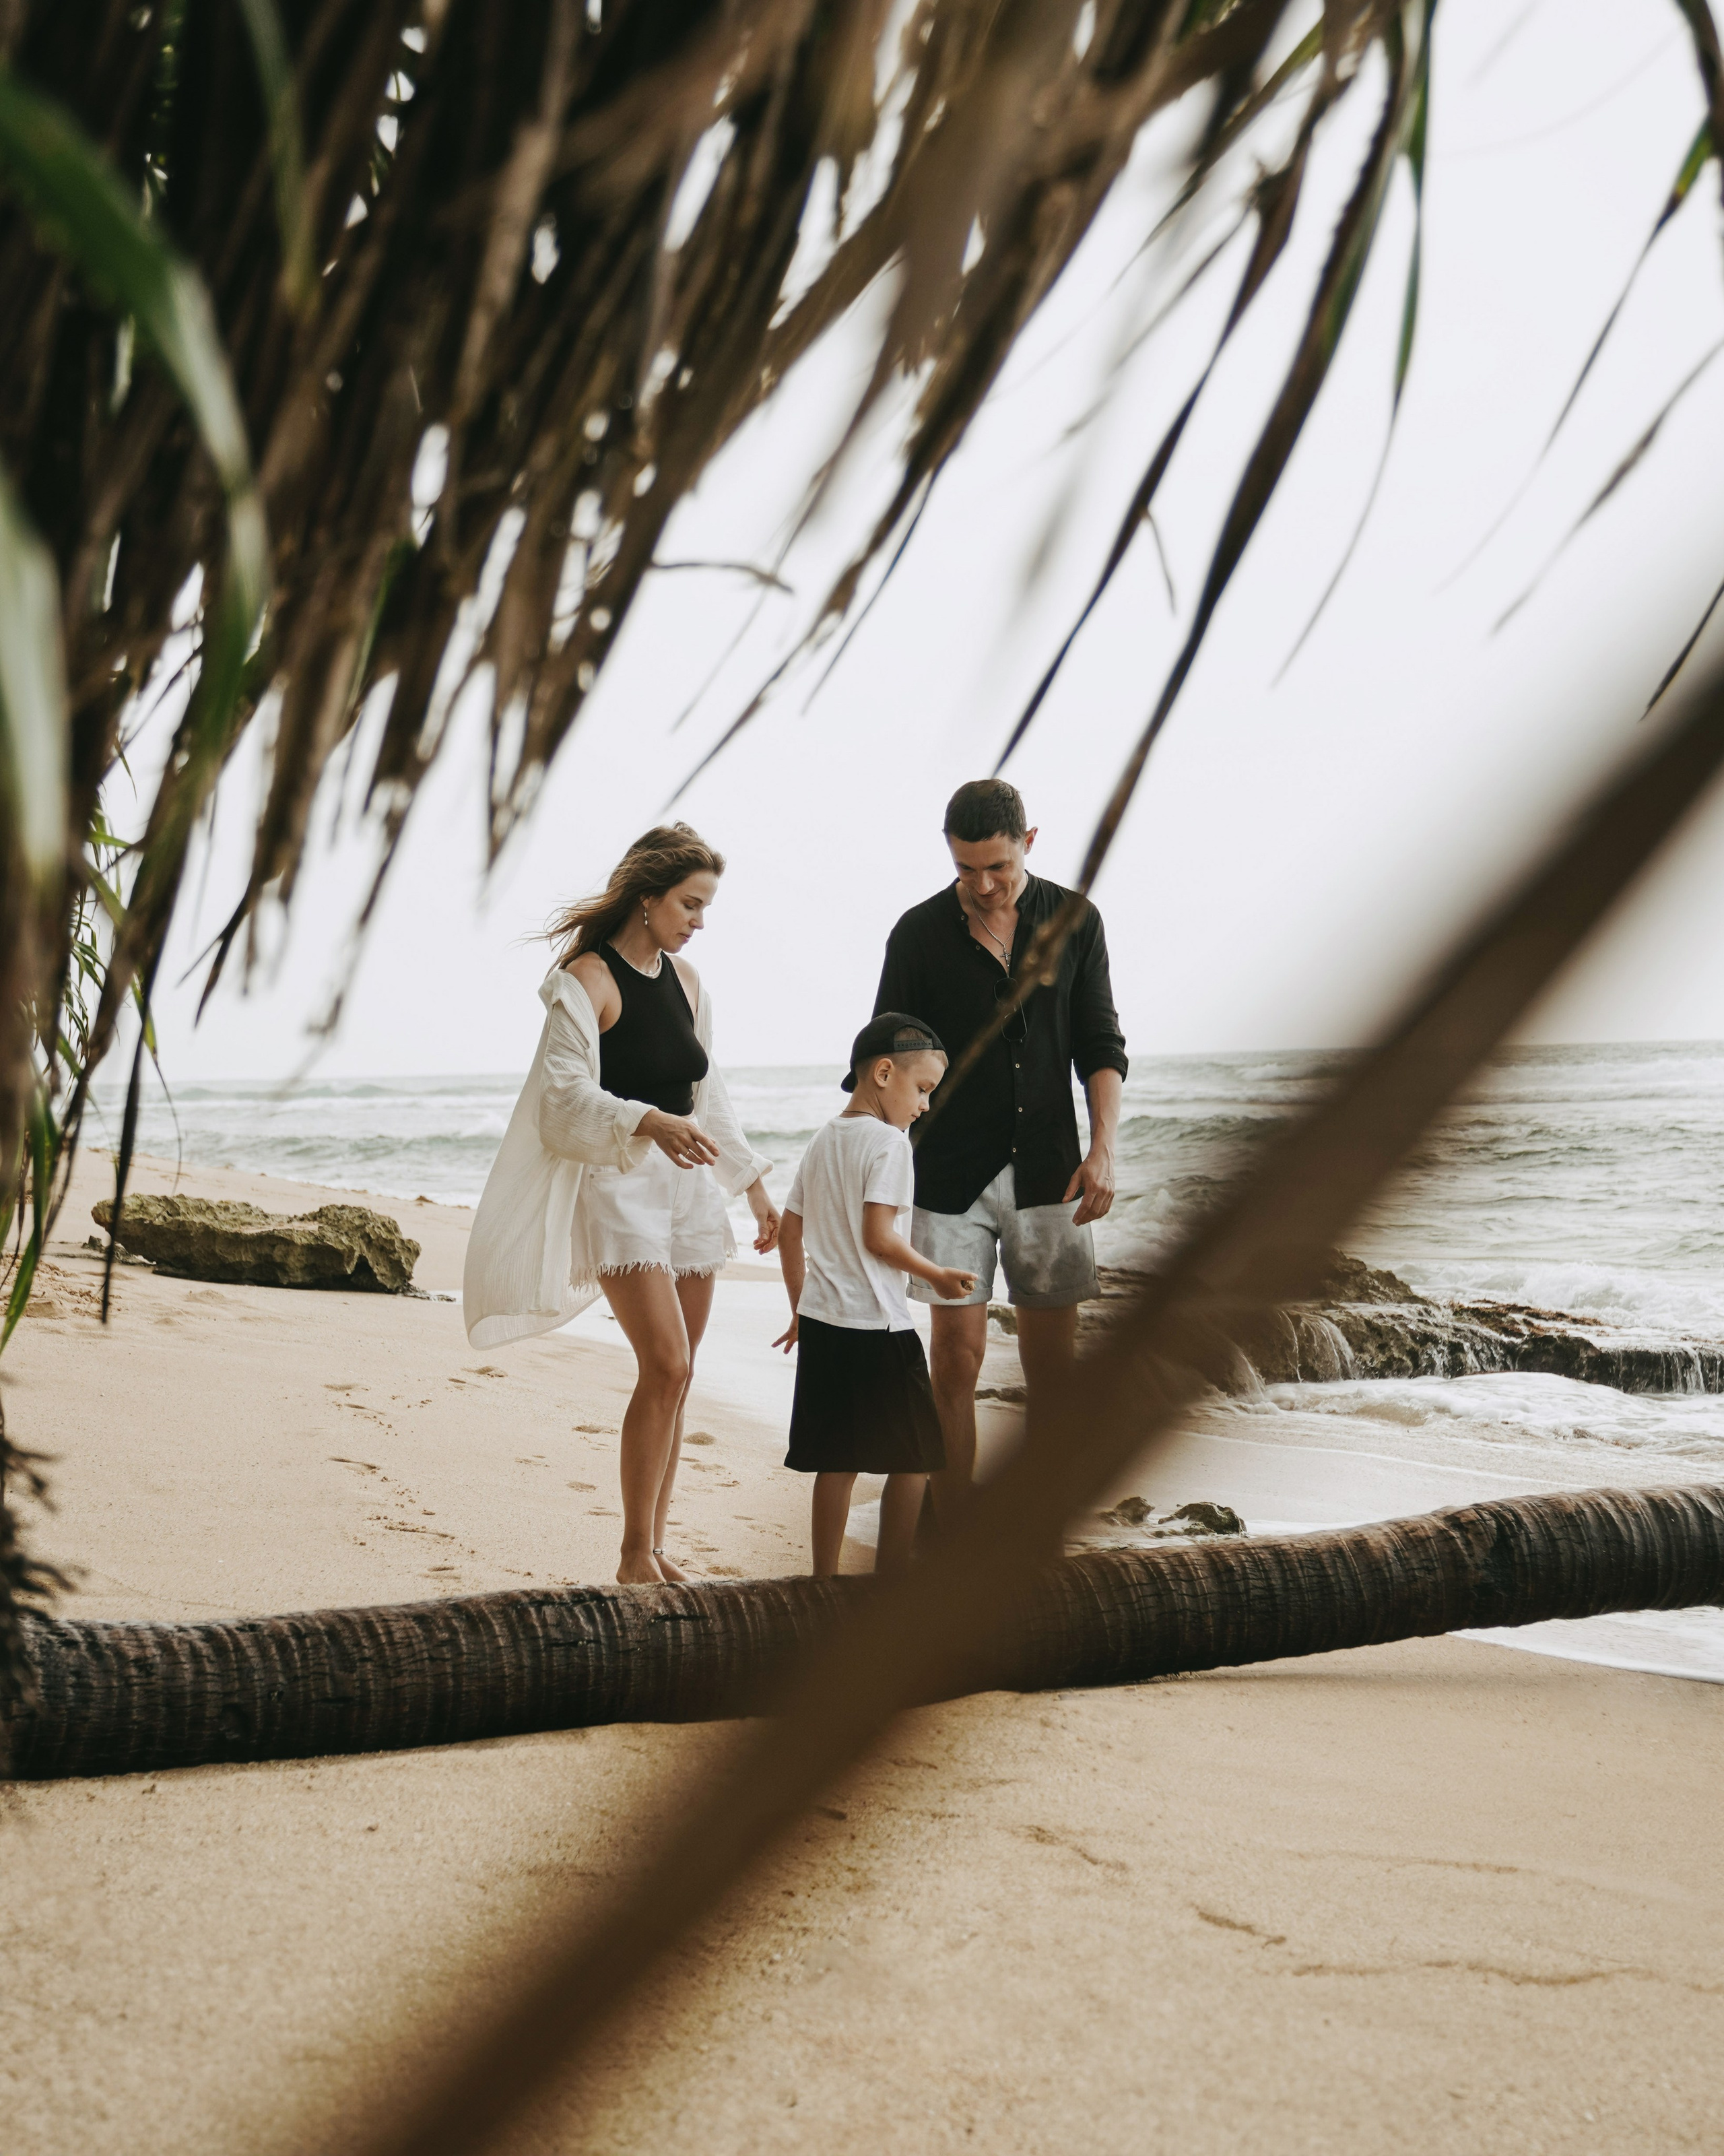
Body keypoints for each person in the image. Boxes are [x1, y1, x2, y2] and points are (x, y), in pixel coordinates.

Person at [463, 823, 779, 1586]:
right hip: (620, 1187)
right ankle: (633, 1556)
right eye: (689, 903)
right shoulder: (587, 981)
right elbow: (562, 1099)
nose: (698, 921)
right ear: (647, 899)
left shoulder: (689, 981)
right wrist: (647, 1119)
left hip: (689, 1191)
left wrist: (755, 1189)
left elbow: (712, 1095)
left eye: (704, 907)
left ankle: (655, 1547)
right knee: (664, 1365)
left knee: (683, 1373)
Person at [873, 778, 1127, 1520]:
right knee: (957, 1360)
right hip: (948, 1174)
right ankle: (952, 1526)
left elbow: (1100, 1043)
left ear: (1029, 844)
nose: (982, 886)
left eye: (998, 869)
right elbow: (884, 1063)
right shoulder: (916, 934)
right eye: (965, 870)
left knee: (1053, 1367)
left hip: (1052, 1170)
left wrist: (1103, 1148)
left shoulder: (1076, 921)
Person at [774, 1016, 978, 1575]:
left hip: (825, 1321)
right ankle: (889, 1582)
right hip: (880, 1327)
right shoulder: (890, 1144)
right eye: (923, 1089)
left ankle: (823, 1581)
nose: (925, 1106)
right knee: (916, 1458)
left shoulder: (822, 1139)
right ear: (884, 1073)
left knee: (837, 1461)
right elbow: (880, 1237)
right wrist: (935, 1275)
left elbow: (790, 1232)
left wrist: (800, 1307)